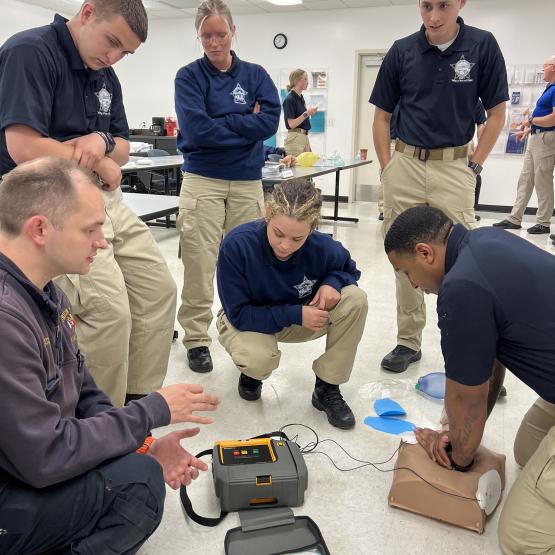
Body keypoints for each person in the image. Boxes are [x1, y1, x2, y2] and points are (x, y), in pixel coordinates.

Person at [0, 158, 219, 555]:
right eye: (91, 229)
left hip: (26, 462)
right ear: (39, 229)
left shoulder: (46, 292)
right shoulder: (6, 319)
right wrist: (150, 411)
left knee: (140, 468)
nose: (102, 242)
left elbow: (84, 393)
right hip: (16, 481)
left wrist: (141, 443)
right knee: (137, 487)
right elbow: (45, 457)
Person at [0, 0, 177, 407]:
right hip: (48, 200)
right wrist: (100, 158)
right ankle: (99, 429)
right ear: (88, 12)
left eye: (124, 53)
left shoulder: (105, 75)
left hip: (100, 196)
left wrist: (104, 142)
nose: (113, 57)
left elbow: (124, 148)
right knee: (108, 313)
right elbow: (25, 147)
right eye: (111, 41)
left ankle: (135, 405)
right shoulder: (31, 52)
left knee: (158, 291)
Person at [384, 205, 555, 554]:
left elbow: (467, 398)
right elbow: (490, 361)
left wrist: (458, 457)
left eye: (406, 272)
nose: (414, 284)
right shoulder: (485, 239)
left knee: (521, 539)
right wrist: (458, 434)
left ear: (424, 253)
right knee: (527, 450)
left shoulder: (461, 288)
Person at [370, 0, 508, 373]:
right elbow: (381, 117)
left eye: (443, 6)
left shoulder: (482, 45)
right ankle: (408, 340)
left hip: (454, 167)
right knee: (402, 254)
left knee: (463, 257)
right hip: (405, 165)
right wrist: (387, 169)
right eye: (426, 5)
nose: (433, 16)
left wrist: (474, 165)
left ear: (461, 3)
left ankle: (474, 348)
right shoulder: (402, 50)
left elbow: (496, 114)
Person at [175, 0, 281, 374]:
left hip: (247, 182)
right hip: (203, 178)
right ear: (198, 36)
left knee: (246, 262)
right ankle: (196, 338)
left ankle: (241, 331)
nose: (214, 42)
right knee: (199, 261)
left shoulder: (255, 75)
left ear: (233, 32)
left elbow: (268, 124)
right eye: (206, 35)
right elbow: (196, 129)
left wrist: (222, 124)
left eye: (220, 34)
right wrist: (243, 123)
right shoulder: (188, 77)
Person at [215, 178, 368, 429]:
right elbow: (239, 313)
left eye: (298, 239)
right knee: (257, 358)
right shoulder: (237, 245)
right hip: (249, 320)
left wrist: (333, 281)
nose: (285, 245)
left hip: (300, 315)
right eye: (278, 233)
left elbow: (350, 270)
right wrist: (296, 313)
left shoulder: (323, 247)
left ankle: (327, 386)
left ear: (312, 228)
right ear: (267, 215)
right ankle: (251, 374)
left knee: (355, 300)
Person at [493, 55, 555, 235]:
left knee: (542, 181)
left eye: (544, 67)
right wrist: (528, 130)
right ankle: (515, 218)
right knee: (525, 180)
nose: (541, 71)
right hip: (536, 138)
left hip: (546, 139)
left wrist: (531, 120)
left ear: (553, 68)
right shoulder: (548, 88)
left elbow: (553, 118)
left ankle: (543, 223)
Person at [283, 69, 318, 157]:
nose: (307, 82)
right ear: (297, 81)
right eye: (305, 79)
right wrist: (307, 113)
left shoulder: (300, 98)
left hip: (303, 137)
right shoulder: (289, 99)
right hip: (295, 138)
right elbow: (291, 124)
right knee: (297, 170)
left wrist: (308, 145)